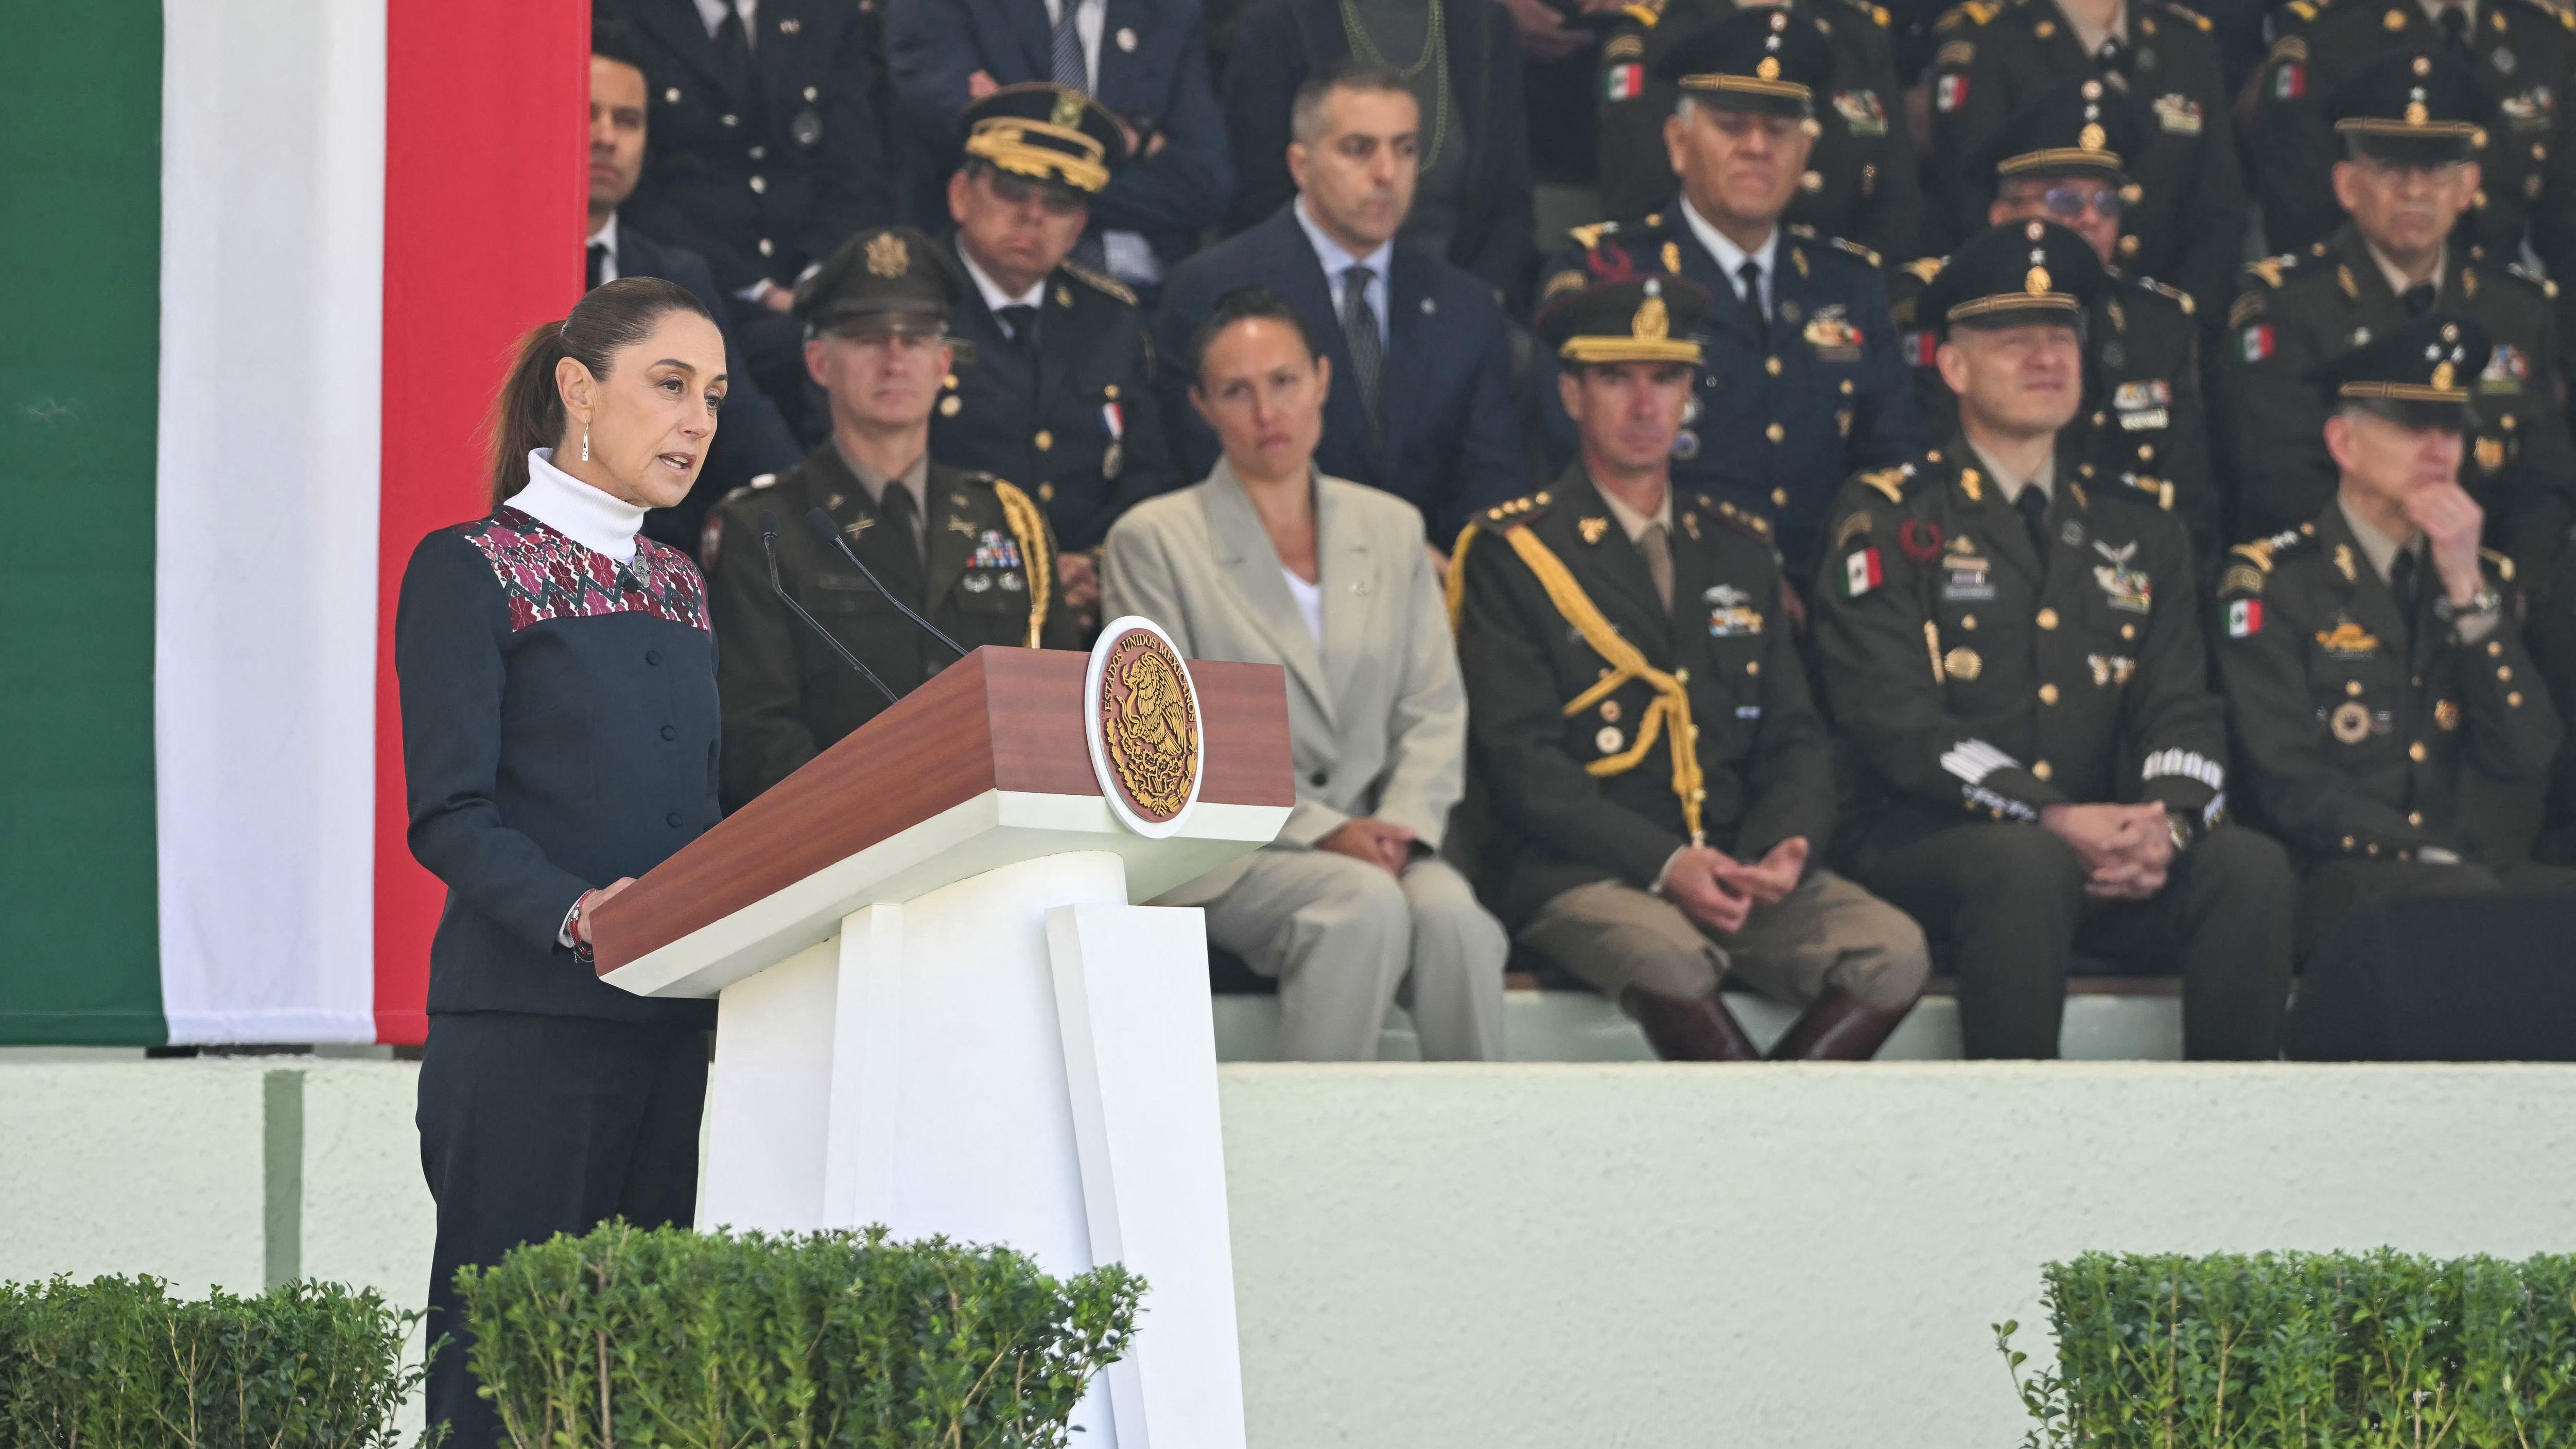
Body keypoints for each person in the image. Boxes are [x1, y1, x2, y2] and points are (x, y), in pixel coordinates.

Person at [1813, 220, 2296, 1059]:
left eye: (2060, 337)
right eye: (2012, 340)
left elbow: (2180, 708)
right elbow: (1892, 720)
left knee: (2248, 867)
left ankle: (2234, 1123)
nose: (2045, 358)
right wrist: (2048, 813)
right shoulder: (1888, 514)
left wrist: (2166, 826)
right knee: (2026, 864)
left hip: (2104, 848)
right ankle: (2019, 1128)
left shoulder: (2141, 524)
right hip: (1932, 843)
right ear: (1953, 367)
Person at [396, 277, 729, 1449]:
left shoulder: (682, 585)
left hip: (671, 1030)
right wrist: (581, 913)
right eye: (670, 385)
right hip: (526, 1032)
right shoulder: (471, 564)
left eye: (714, 397)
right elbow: (447, 815)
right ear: (579, 389)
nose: (696, 421)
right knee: (503, 1386)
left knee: (644, 1392)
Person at [1454, 278, 1931, 1060]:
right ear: (1572, 394)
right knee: (1669, 957)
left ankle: (1752, 1135)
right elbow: (1524, 766)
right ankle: (1760, 1139)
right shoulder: (1517, 551)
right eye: (1617, 379)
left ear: (1688, 394)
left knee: (1893, 951)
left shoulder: (1736, 547)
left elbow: (1794, 733)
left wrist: (1782, 847)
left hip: (1737, 860)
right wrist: (1667, 863)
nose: (1646, 405)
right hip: (1590, 871)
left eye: (1667, 378)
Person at [1102, 287, 1509, 1061]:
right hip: (1228, 850)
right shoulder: (1152, 540)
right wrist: (1327, 831)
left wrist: (1404, 824)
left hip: (1385, 832)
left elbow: (1433, 706)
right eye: (1236, 391)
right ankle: (1320, 1137)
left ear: (1323, 379)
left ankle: (1485, 1135)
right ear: (1201, 406)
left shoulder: (1393, 526)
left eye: (1284, 381)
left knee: (1459, 922)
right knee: (1360, 906)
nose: (1267, 412)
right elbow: (1171, 745)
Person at [2217, 313, 2572, 947]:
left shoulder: (2483, 578)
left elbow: (2526, 754)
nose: (2439, 450)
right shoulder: (2276, 581)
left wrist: (2467, 593)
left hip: (2463, 867)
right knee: (2464, 903)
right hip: (2334, 870)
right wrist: (2419, 849)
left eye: (2451, 429)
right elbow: (2286, 780)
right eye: (2413, 427)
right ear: (2344, 444)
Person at [1536, 5, 1920, 585]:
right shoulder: (1605, 274)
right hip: (1665, 594)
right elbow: (1581, 473)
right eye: (1731, 126)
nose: (1757, 147)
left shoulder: (1850, 283)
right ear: (1678, 142)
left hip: (1832, 599)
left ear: (1805, 153)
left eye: (1779, 131)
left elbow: (1895, 462)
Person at [703, 226, 1081, 810]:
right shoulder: (764, 528)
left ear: (944, 362)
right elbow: (755, 734)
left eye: (916, 339)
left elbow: (1060, 707)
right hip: (840, 843)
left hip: (1003, 839)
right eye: (867, 339)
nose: (895, 360)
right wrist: (889, 823)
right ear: (819, 362)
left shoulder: (1008, 518)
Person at [2220, 49, 2574, 567]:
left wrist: (2501, 588)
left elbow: (2545, 485)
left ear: (2468, 187)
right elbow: (2282, 481)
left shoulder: (2517, 309)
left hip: (2487, 582)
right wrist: (2413, 575)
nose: (2414, 191)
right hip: (2338, 587)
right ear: (2347, 185)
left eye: (2437, 171)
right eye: (2391, 169)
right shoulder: (2285, 304)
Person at [1157, 61, 1525, 543]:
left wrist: (1440, 571)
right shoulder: (1212, 289)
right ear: (1301, 166)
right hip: (1261, 570)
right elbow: (1205, 473)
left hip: (1433, 579)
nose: (1387, 174)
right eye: (1359, 149)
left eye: (1405, 149)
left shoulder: (1465, 309)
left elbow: (1492, 491)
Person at [1889, 80, 2217, 565]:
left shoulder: (2157, 323)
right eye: (2065, 201)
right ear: (2002, 215)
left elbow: (2189, 499)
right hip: (1969, 556)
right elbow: (1924, 459)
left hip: (2126, 569)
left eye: (2106, 204)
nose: (2090, 219)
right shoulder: (1944, 305)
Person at [936, 83, 1180, 627]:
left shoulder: (1110, 317)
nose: (1033, 216)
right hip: (946, 603)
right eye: (1012, 188)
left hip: (1093, 605)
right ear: (961, 195)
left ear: (1079, 227)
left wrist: (1094, 565)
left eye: (1060, 202)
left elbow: (1148, 473)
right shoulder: (914, 309)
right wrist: (1030, 573)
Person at [602, 0, 894, 442]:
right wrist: (758, 288)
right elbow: (639, 191)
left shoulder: (824, 14)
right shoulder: (628, 14)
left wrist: (815, 283)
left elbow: (858, 171)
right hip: (689, 290)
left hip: (813, 288)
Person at [2249, 0, 2576, 369]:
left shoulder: (2546, 38)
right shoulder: (2328, 31)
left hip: (2503, 338)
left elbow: (2569, 229)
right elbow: (2299, 215)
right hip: (2356, 335)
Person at [589, 21, 803, 552]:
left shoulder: (677, 277)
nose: (607, 137)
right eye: (588, 114)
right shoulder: (500, 267)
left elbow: (744, 429)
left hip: (650, 558)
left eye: (628, 121)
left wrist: (810, 517)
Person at [885, 0, 1232, 301]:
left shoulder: (1169, 10)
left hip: (1145, 295)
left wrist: (1027, 146)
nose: (1043, 209)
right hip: (978, 292)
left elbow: (1206, 184)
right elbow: (962, 141)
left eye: (1061, 204)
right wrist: (1126, 142)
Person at [1923, 0, 2244, 318]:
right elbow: (1969, 201)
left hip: (2163, 320)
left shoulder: (2187, 43)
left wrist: (2174, 325)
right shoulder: (1993, 37)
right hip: (2026, 313)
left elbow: (2219, 210)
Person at [1216, 0, 1537, 305]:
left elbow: (1510, 204)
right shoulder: (1277, 22)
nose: (1387, 171)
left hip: (1463, 301)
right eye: (1359, 149)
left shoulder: (1486, 24)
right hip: (1308, 304)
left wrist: (1474, 307)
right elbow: (1258, 204)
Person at [1596, 0, 1927, 267]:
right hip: (1691, 284)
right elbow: (1640, 196)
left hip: (1839, 294)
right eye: (1731, 125)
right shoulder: (1657, 32)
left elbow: (1897, 199)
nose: (1757, 146)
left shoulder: (1857, 34)